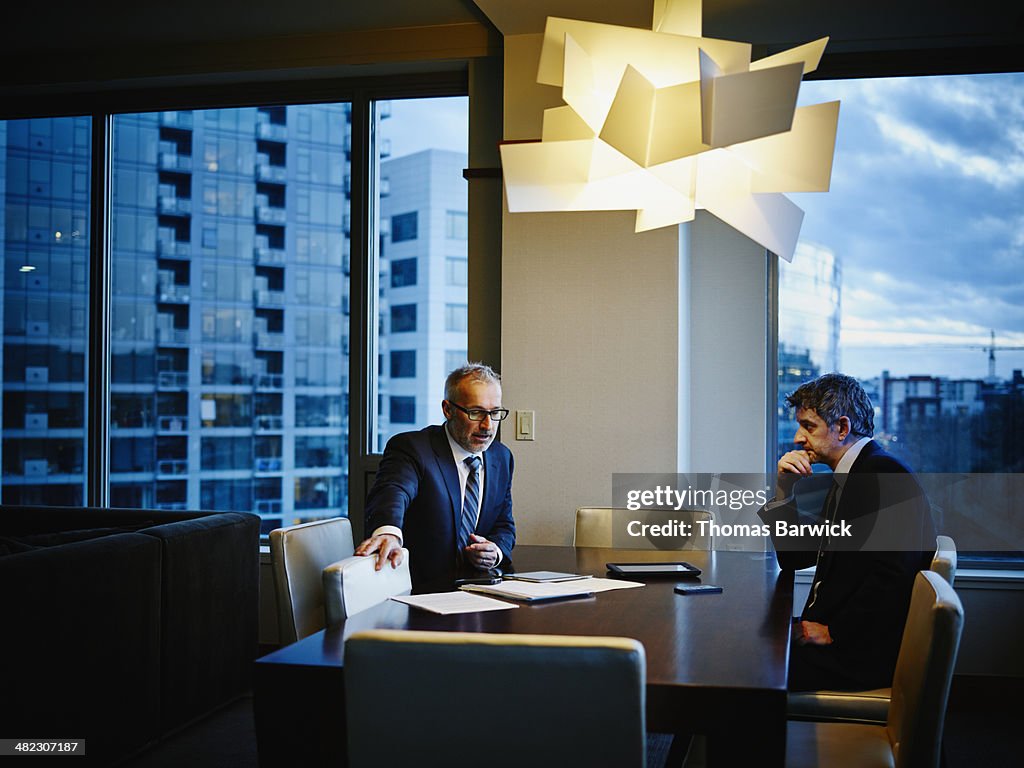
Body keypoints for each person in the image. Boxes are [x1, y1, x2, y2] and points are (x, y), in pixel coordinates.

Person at [759, 373, 935, 692]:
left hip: (856, 654)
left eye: (808, 426)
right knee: (751, 648)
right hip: (844, 643)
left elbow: (894, 574)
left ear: (842, 427)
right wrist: (784, 493)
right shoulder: (853, 476)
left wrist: (834, 631)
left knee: (748, 664)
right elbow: (794, 558)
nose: (798, 438)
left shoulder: (882, 473)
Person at [354, 363, 516, 587]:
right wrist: (389, 531)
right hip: (417, 591)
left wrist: (494, 551)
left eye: (495, 412)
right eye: (476, 412)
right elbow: (394, 490)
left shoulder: (501, 457)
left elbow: (504, 525)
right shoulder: (413, 448)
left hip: (479, 593)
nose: (487, 425)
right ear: (448, 409)